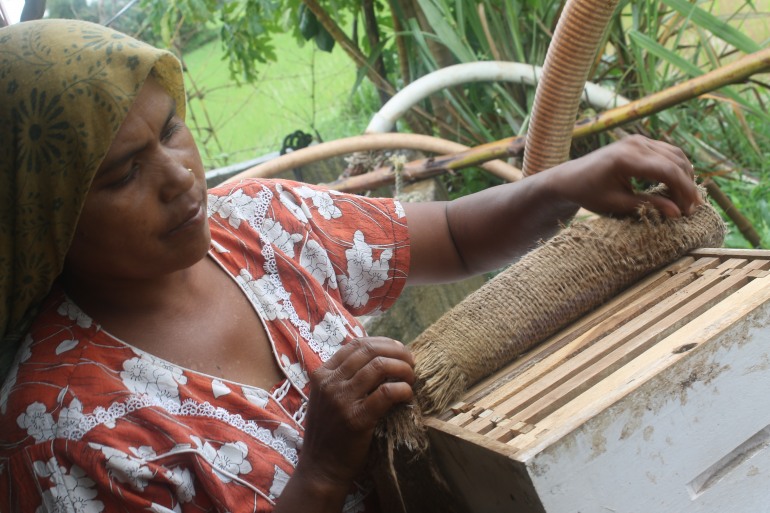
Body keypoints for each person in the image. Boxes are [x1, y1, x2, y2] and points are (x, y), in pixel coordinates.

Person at [0, 18, 702, 513]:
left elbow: (453, 238)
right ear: (42, 216)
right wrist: (323, 469)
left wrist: (567, 182)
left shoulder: (255, 223)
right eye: (124, 173)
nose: (179, 175)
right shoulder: (62, 434)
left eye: (171, 130)